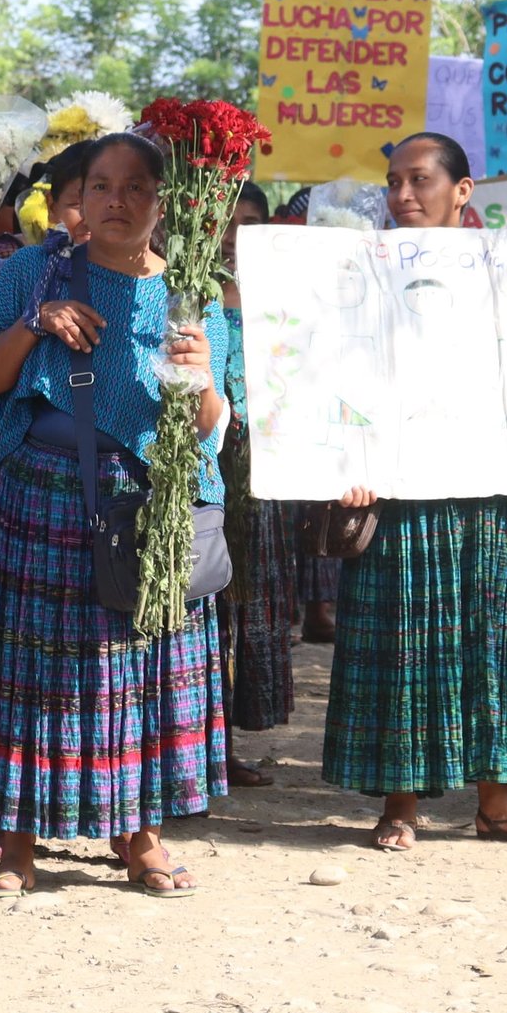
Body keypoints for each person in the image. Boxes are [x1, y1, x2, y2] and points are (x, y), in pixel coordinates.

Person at [0, 131, 230, 898]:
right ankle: (16, 846)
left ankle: (141, 838)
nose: (117, 200)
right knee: (32, 670)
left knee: (140, 671)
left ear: (162, 203)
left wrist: (200, 371)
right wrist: (38, 322)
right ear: (80, 195)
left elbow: (208, 425)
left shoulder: (193, 292)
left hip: (150, 503)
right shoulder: (36, 269)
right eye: (101, 185)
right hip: (42, 493)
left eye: (136, 187)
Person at [320, 132, 507, 852]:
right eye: (393, 182)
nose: (403, 195)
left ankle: (498, 802)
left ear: (464, 191)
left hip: (495, 496)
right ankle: (399, 804)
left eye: (421, 180)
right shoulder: (353, 274)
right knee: (404, 636)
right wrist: (336, 460)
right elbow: (329, 372)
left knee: (496, 639)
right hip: (397, 490)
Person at [219, 183, 294, 785]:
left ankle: (228, 745)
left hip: (261, 465)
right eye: (227, 220)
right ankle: (200, 740)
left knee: (249, 605)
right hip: (207, 459)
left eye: (249, 222)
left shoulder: (280, 296)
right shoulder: (187, 289)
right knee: (208, 603)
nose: (234, 233)